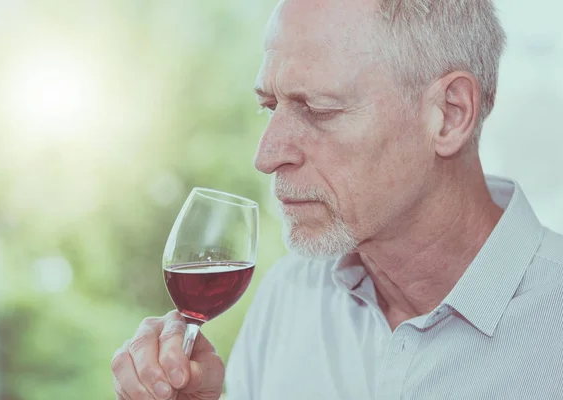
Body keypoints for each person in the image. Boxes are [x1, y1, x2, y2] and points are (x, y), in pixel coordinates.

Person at [111, 0, 563, 399]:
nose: (266, 157)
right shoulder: (289, 296)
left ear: (449, 114)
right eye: (270, 106)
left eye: (318, 109)